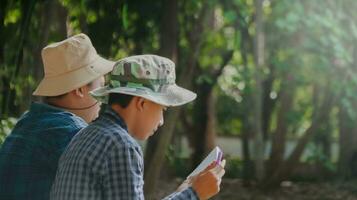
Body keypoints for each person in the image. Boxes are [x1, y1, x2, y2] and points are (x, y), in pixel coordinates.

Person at [50, 55, 226, 200]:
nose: (161, 121)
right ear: (141, 103)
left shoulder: (84, 135)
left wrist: (184, 191)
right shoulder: (121, 145)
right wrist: (194, 194)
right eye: (162, 109)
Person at [0, 33, 115, 200]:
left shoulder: (28, 121)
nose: (102, 100)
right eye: (101, 87)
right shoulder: (73, 133)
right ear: (80, 90)